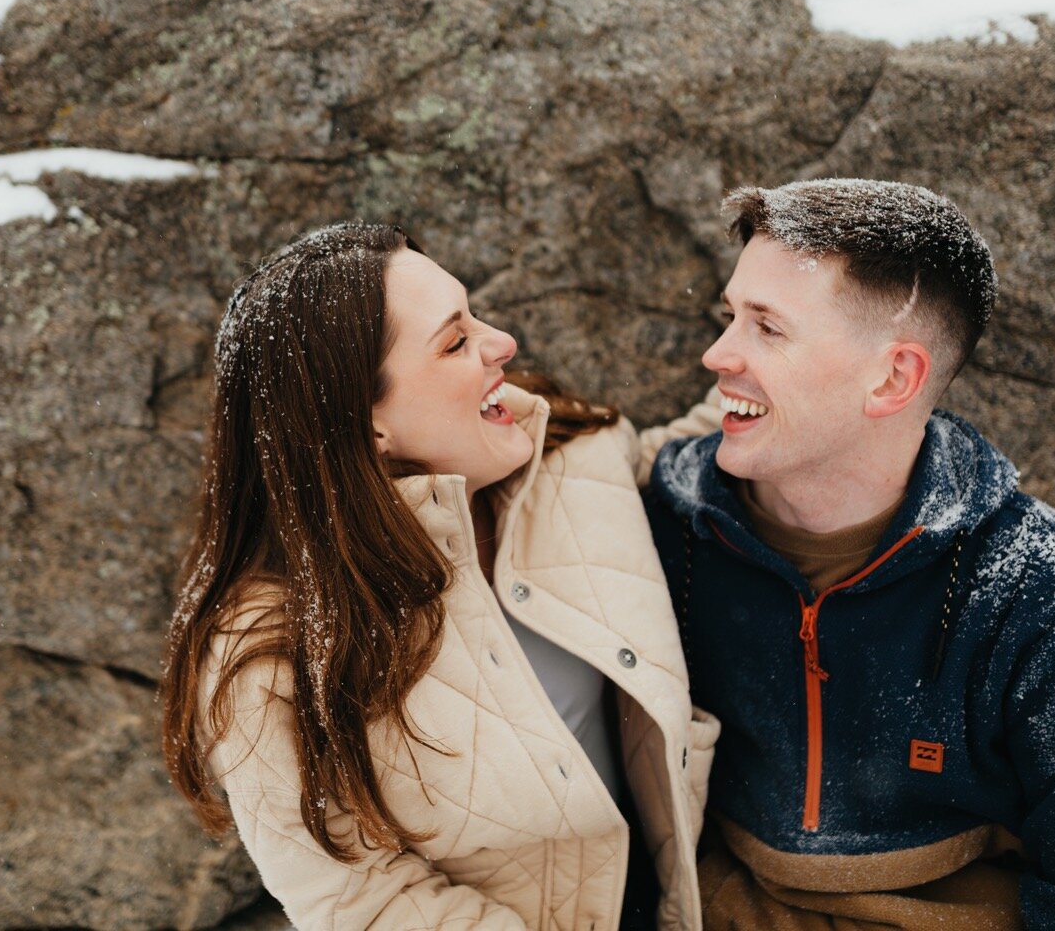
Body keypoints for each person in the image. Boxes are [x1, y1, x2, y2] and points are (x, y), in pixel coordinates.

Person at [644, 178, 1055, 928]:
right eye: (730, 317)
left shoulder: (1047, 593)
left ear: (893, 377)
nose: (718, 355)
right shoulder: (667, 531)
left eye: (767, 329)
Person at [159, 222, 720, 930]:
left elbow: (705, 455)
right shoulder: (271, 649)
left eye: (473, 315)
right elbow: (357, 899)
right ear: (368, 427)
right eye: (455, 341)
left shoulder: (574, 450)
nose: (502, 343)